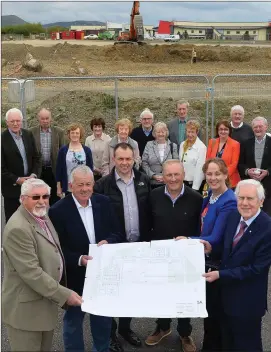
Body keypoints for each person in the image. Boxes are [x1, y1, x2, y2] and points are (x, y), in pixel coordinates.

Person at [2, 178, 82, 352]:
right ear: (23, 199)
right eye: (35, 197)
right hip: (25, 313)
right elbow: (32, 273)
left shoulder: (41, 216)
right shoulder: (18, 229)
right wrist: (65, 294)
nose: (41, 201)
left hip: (42, 306)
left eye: (45, 196)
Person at [49, 165, 123, 352]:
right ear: (71, 185)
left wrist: (109, 241)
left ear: (93, 184)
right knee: (73, 321)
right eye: (80, 185)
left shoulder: (103, 203)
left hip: (101, 273)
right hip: (75, 274)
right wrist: (79, 258)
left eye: (88, 184)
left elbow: (117, 232)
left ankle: (102, 349)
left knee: (102, 319)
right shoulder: (58, 210)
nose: (84, 189)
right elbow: (55, 249)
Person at [94, 143, 152, 352]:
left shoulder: (144, 180)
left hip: (138, 247)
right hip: (114, 248)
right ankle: (110, 333)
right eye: (121, 159)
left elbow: (149, 212)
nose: (125, 163)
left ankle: (125, 329)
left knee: (130, 292)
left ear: (134, 158)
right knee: (112, 292)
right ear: (114, 159)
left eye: (128, 159)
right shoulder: (102, 185)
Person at [203, 179, 271, 352]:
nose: (245, 203)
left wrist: (221, 275)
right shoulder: (234, 216)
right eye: (241, 198)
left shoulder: (267, 228)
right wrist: (210, 248)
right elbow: (227, 249)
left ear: (261, 201)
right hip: (225, 298)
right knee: (227, 342)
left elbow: (256, 268)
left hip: (247, 302)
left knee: (247, 345)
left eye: (250, 199)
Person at [176, 158, 237, 351]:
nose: (213, 178)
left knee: (216, 314)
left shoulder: (229, 201)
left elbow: (215, 238)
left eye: (217, 173)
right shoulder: (211, 195)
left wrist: (187, 239)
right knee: (209, 313)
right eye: (209, 174)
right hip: (205, 260)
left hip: (217, 263)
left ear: (226, 174)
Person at [145, 159, 202, 352]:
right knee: (162, 293)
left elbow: (200, 228)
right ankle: (162, 327)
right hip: (160, 255)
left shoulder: (195, 198)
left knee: (184, 294)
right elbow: (147, 224)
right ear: (163, 176)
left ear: (184, 175)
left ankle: (185, 333)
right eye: (168, 175)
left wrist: (191, 242)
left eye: (177, 174)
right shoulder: (154, 196)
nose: (173, 178)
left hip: (186, 257)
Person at [1, 108, 41, 222]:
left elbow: (36, 158)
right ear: (7, 122)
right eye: (12, 121)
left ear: (22, 121)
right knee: (13, 221)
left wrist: (33, 175)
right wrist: (18, 179)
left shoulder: (28, 134)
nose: (15, 123)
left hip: (30, 187)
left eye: (18, 121)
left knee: (32, 219)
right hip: (11, 190)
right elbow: (1, 168)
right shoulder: (2, 139)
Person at [30, 108, 66, 205]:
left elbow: (63, 153)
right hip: (38, 172)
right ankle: (40, 220)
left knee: (55, 201)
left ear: (51, 119)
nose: (45, 121)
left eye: (47, 118)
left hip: (53, 171)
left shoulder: (59, 132)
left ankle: (54, 219)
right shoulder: (31, 132)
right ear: (38, 119)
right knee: (39, 200)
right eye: (42, 118)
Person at [238, 116, 271, 216]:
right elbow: (240, 164)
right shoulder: (246, 143)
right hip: (250, 185)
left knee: (266, 215)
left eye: (260, 126)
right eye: (255, 127)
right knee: (251, 213)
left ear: (266, 127)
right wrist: (247, 171)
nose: (258, 129)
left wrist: (268, 172)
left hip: (268, 187)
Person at [56, 123, 93, 197]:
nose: (74, 135)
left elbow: (90, 169)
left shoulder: (87, 150)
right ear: (69, 134)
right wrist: (58, 187)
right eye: (72, 133)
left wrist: (91, 186)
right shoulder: (63, 150)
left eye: (77, 133)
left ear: (80, 134)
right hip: (68, 187)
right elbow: (59, 170)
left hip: (83, 186)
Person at [142, 122, 178, 188]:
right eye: (158, 132)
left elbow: (176, 163)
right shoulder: (149, 145)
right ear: (154, 133)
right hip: (152, 182)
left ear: (166, 133)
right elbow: (144, 162)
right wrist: (153, 175)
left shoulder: (173, 146)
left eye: (163, 132)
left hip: (169, 182)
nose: (161, 134)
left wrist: (167, 176)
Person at [206, 119, 241, 189]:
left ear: (229, 131)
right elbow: (207, 160)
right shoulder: (212, 142)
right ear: (217, 131)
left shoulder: (235, 144)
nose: (223, 131)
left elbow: (234, 164)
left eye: (226, 129)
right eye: (221, 129)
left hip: (229, 181)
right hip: (213, 180)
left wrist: (222, 176)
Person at [179, 119, 206, 192]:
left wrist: (195, 188)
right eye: (188, 131)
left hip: (195, 185)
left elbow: (200, 169)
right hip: (183, 183)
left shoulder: (201, 147)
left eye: (192, 132)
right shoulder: (182, 144)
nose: (190, 134)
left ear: (197, 132)